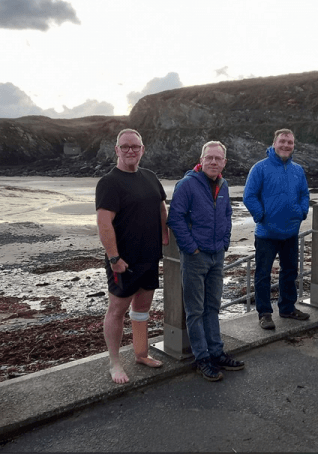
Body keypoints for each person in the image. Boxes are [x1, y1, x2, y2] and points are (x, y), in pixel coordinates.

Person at [95, 128, 169, 384]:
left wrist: (165, 237)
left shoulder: (149, 176)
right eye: (125, 146)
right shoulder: (109, 182)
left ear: (142, 150)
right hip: (123, 262)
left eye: (135, 147)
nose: (130, 151)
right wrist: (114, 258)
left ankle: (141, 353)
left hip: (149, 257)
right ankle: (115, 363)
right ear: (116, 150)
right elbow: (104, 222)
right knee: (117, 310)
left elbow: (160, 207)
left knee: (142, 309)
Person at [167, 141, 245, 382]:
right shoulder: (187, 185)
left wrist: (224, 243)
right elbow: (175, 218)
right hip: (195, 258)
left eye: (218, 158)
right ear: (201, 160)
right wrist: (192, 248)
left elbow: (227, 215)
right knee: (195, 310)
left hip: (217, 256)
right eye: (209, 158)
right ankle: (202, 358)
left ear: (224, 162)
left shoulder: (223, 185)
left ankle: (217, 352)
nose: (213, 162)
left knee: (213, 307)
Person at [243, 129, 311, 330]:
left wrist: (301, 212)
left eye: (289, 142)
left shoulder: (298, 170)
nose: (286, 145)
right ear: (274, 143)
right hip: (266, 233)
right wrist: (262, 216)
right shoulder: (260, 168)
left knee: (290, 271)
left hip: (291, 231)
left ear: (293, 145)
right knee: (263, 274)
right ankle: (264, 313)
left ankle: (287, 308)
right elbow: (249, 196)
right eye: (282, 141)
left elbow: (304, 195)